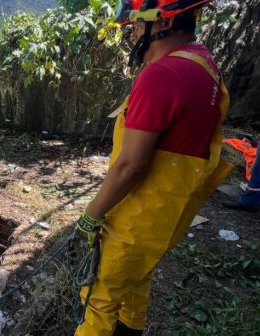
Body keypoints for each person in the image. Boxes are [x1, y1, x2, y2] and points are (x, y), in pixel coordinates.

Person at [69, 1, 232, 335]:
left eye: (137, 28)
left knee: (98, 296)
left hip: (139, 212)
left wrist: (90, 217)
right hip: (167, 214)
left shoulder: (162, 75)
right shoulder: (203, 63)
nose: (133, 38)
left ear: (162, 22)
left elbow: (131, 165)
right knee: (135, 284)